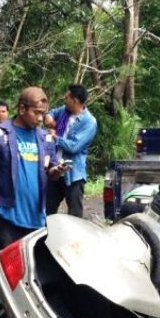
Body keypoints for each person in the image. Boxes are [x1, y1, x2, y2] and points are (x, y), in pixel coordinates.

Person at [0, 87, 67, 253]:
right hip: (6, 219)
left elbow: (51, 171)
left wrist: (58, 170)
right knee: (3, 272)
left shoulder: (45, 137)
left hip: (36, 220)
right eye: (36, 113)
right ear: (22, 108)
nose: (40, 119)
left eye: (42, 114)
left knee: (32, 273)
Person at [45, 84, 97, 218]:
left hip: (73, 175)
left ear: (75, 100)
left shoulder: (89, 122)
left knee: (74, 216)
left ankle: (74, 240)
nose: (64, 99)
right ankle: (44, 238)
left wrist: (55, 136)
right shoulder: (64, 111)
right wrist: (49, 119)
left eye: (67, 97)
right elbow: (50, 113)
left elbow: (74, 147)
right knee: (46, 212)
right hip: (55, 169)